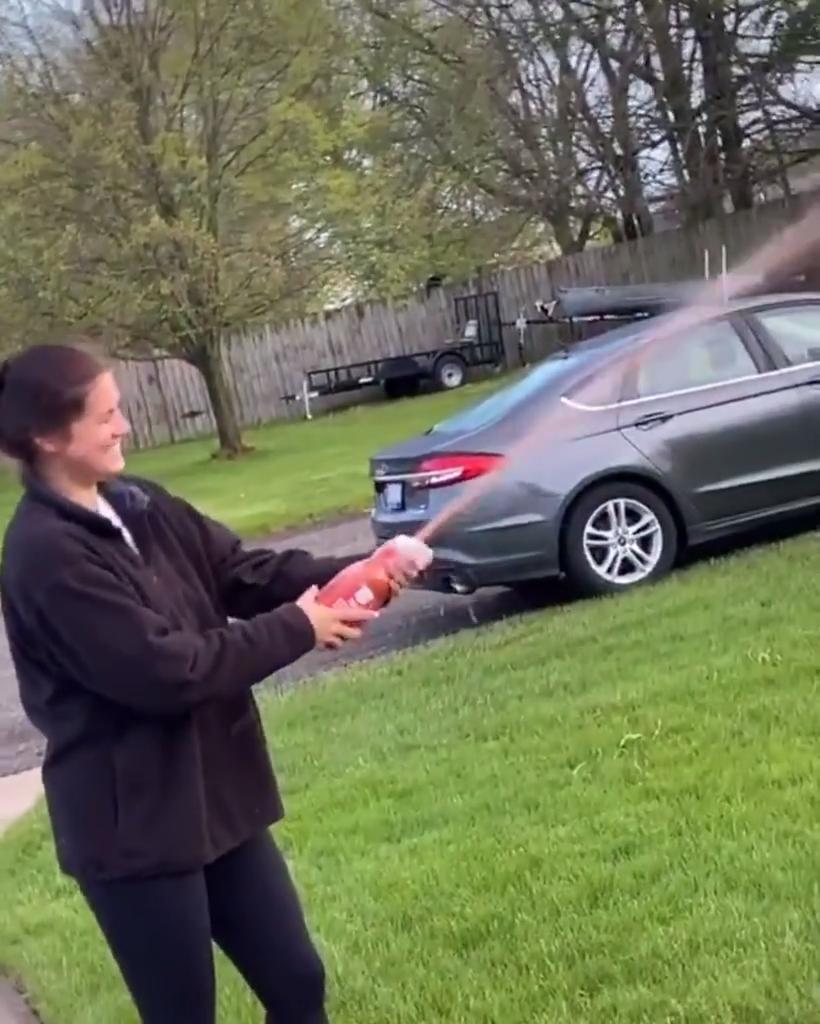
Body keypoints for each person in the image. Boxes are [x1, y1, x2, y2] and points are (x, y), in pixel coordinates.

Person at [0, 344, 430, 1024]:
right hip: (133, 828)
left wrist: (367, 567)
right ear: (47, 436)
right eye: (106, 415)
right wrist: (300, 627)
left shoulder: (141, 504)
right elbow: (167, 672)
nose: (125, 427)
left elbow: (243, 572)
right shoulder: (45, 556)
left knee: (296, 981)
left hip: (215, 799)